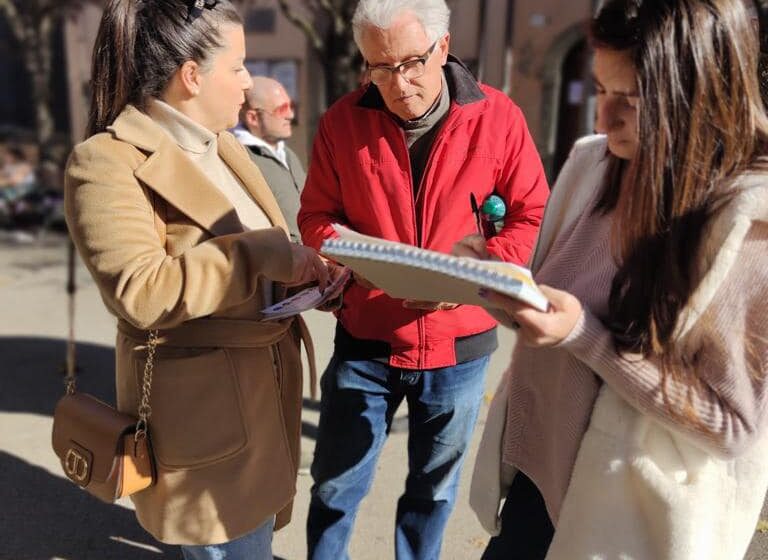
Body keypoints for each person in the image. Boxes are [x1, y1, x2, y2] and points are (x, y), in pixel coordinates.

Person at [461, 0, 768, 558]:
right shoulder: (594, 164)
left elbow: (731, 425)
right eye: (600, 91)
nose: (604, 120)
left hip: (625, 517)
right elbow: (557, 307)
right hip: (536, 475)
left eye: (628, 101)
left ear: (701, 94)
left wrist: (585, 338)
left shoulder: (750, 223)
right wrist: (495, 283)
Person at [64, 1, 331, 558]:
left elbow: (256, 261)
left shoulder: (223, 144)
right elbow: (141, 291)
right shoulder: (104, 162)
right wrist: (269, 256)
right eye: (237, 66)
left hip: (264, 395)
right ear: (191, 75)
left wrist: (308, 280)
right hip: (205, 418)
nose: (247, 82)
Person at [297, 0, 549, 557]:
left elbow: (533, 216)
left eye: (411, 62)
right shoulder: (342, 121)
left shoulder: (498, 117)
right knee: (337, 484)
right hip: (367, 337)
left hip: (461, 343)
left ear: (443, 46)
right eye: (380, 68)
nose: (399, 83)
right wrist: (350, 256)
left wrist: (466, 272)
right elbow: (316, 216)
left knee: (433, 492)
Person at [234, 76, 306, 242]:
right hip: (282, 262)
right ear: (253, 118)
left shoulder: (289, 154)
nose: (290, 115)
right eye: (282, 109)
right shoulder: (241, 158)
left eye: (291, 106)